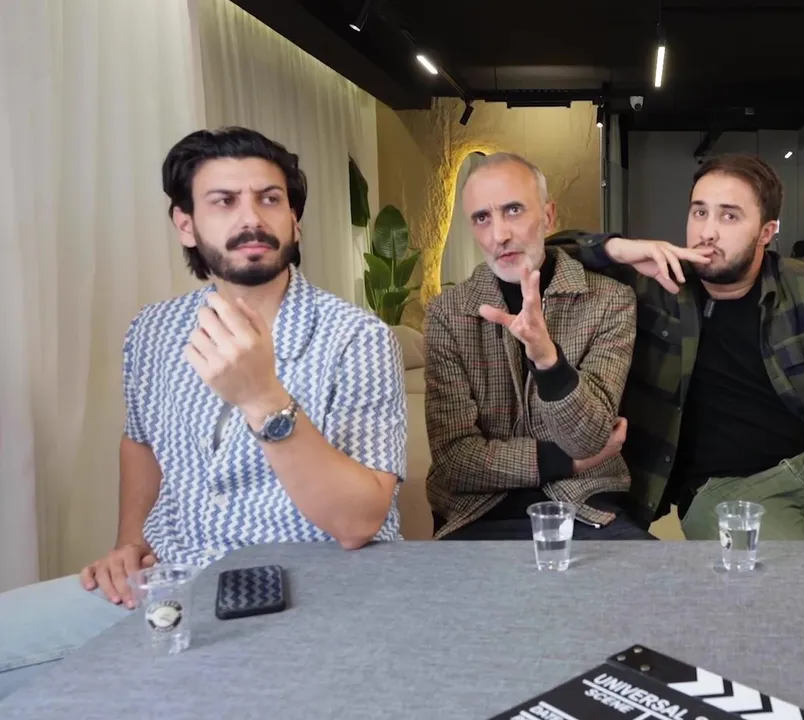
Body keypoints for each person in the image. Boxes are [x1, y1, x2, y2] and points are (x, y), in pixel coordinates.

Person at [0, 127, 407, 699]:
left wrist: (263, 398)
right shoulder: (154, 329)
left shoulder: (356, 339)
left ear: (294, 220)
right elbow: (140, 440)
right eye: (224, 201)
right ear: (186, 224)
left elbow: (359, 522)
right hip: (171, 581)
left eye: (270, 198)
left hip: (313, 591)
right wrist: (129, 544)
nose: (252, 218)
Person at [549, 153, 804, 542]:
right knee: (793, 577)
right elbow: (547, 252)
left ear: (767, 231)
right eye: (699, 212)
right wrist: (619, 247)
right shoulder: (656, 283)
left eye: (729, 216)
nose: (707, 231)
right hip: (723, 491)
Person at [425, 153, 651, 540]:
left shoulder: (609, 301)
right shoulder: (448, 313)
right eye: (482, 218)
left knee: (660, 575)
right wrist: (568, 462)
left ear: (548, 216)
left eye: (513, 210)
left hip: (587, 505)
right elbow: (455, 461)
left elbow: (590, 438)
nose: (499, 235)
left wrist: (548, 361)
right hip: (480, 511)